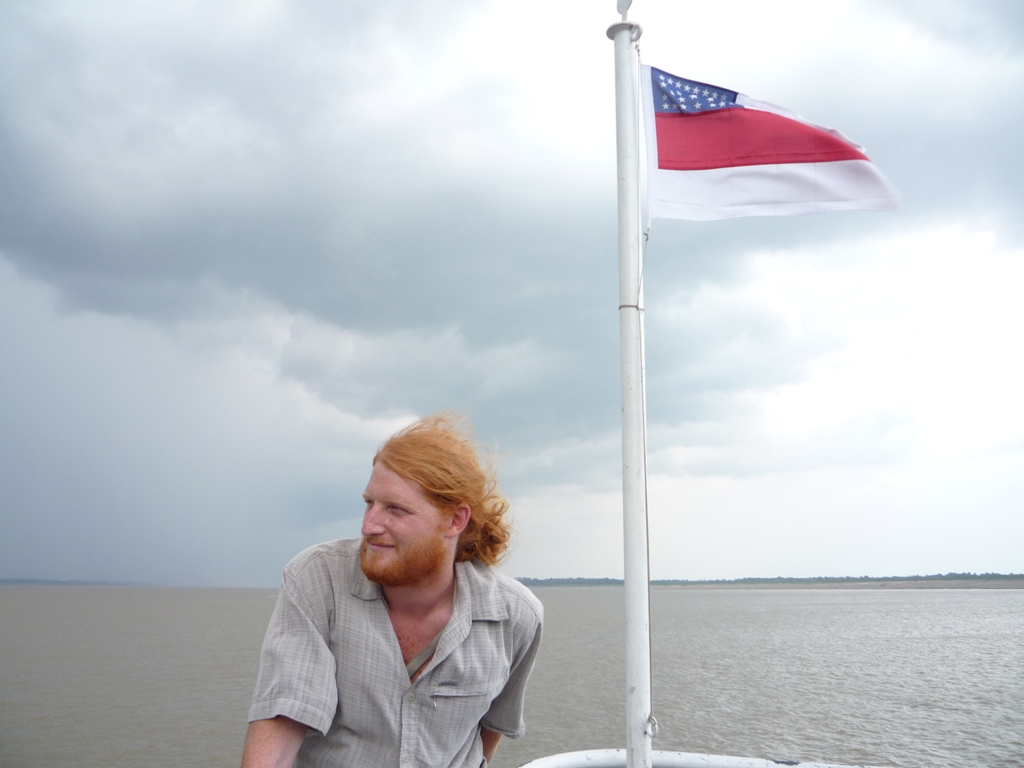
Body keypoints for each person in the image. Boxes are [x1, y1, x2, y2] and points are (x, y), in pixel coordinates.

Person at [241, 413, 543, 768]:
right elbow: (282, 724)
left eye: (395, 509)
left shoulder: (515, 618)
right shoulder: (317, 581)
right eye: (369, 503)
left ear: (455, 520)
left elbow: (486, 736)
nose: (369, 526)